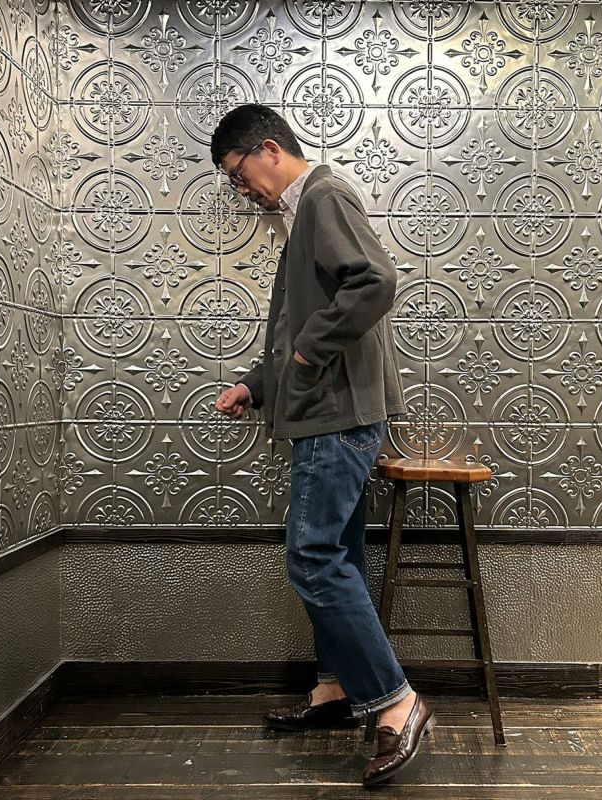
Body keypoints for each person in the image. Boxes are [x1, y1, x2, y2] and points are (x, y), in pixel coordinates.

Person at [211, 104, 435, 785]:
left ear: (268, 149)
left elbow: (376, 280)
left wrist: (307, 355)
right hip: (331, 409)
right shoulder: (302, 213)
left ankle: (397, 702)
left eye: (238, 173)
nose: (241, 190)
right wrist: (257, 385)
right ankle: (338, 688)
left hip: (336, 414)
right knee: (338, 553)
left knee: (312, 556)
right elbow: (299, 324)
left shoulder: (323, 196)